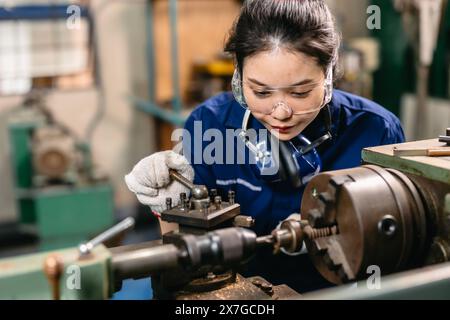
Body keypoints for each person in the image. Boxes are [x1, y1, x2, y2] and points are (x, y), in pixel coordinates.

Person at [125, 0, 405, 293]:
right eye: (260, 91)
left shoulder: (375, 131)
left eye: (300, 92)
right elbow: (189, 262)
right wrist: (170, 207)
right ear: (237, 77)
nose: (281, 112)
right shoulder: (209, 126)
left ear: (330, 73)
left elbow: (394, 247)